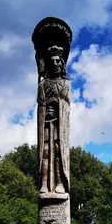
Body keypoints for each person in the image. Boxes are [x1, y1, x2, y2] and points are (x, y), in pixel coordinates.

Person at [37, 46, 70, 194]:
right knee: (45, 152)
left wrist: (57, 103)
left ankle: (60, 183)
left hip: (58, 124)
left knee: (58, 152)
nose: (55, 64)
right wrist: (45, 108)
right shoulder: (42, 85)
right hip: (46, 124)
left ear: (62, 64)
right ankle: (44, 184)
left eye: (58, 61)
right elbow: (41, 103)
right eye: (52, 62)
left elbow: (66, 103)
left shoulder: (66, 84)